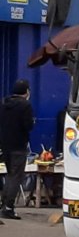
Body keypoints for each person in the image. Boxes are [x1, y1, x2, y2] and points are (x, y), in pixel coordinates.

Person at [0, 79, 35, 220]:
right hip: (19, 146)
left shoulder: (3, 104)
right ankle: (8, 207)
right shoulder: (25, 105)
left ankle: (4, 205)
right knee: (16, 176)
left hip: (5, 145)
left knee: (9, 175)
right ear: (26, 92)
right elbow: (28, 126)